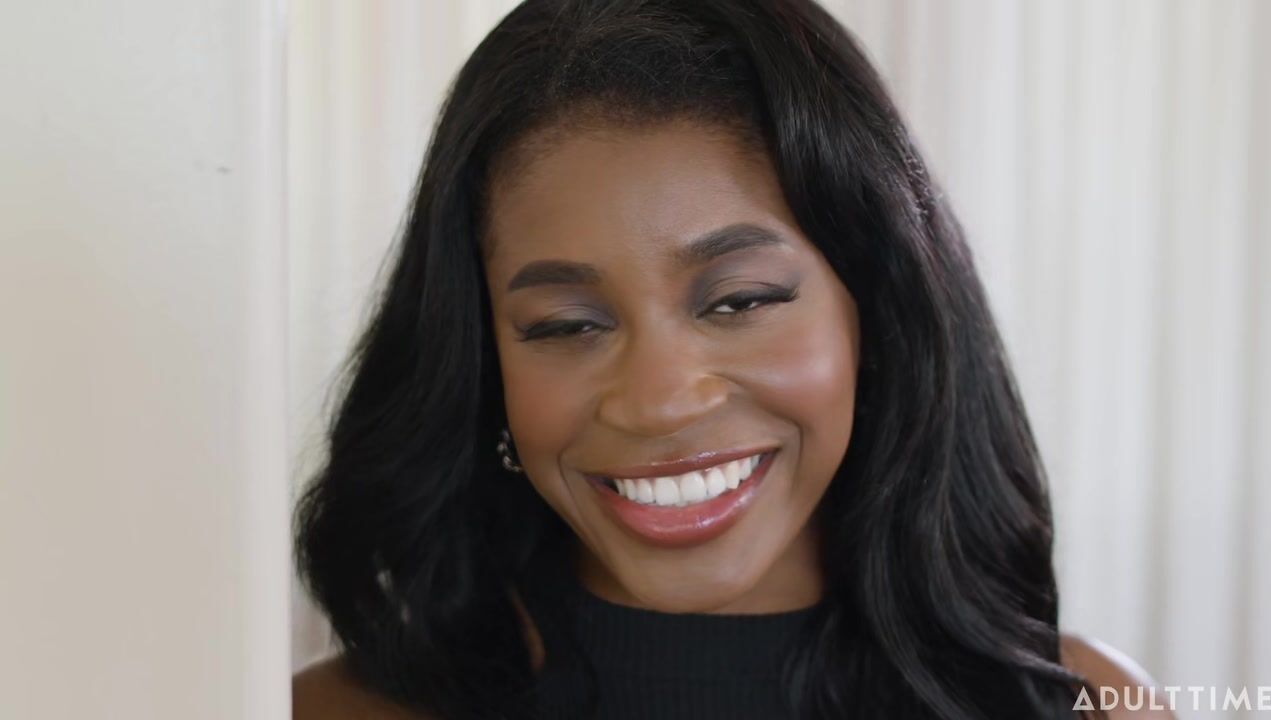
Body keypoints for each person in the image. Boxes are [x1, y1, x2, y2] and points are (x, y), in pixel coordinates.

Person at [292, 0, 1172, 717]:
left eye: (740, 301)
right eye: (565, 325)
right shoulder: (315, 712)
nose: (659, 401)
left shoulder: (1090, 707)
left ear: (878, 315)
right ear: (482, 366)